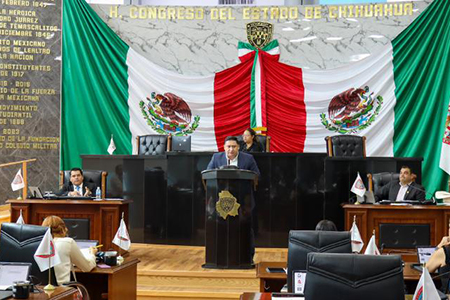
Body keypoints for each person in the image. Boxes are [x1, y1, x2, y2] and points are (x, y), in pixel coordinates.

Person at [42, 216, 97, 285]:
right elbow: (87, 267)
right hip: (62, 291)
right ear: (64, 229)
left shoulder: (38, 244)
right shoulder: (68, 242)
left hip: (41, 290)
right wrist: (92, 254)